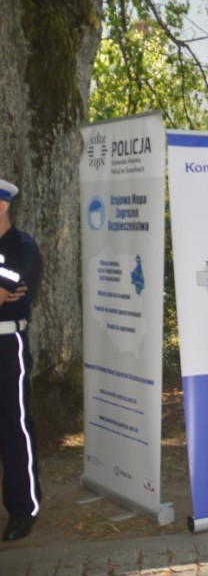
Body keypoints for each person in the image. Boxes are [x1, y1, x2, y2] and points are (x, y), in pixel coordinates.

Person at [0, 179, 43, 541]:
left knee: (13, 427)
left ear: (2, 206)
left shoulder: (21, 247)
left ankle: (23, 509)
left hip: (6, 345)